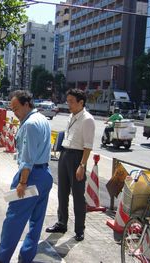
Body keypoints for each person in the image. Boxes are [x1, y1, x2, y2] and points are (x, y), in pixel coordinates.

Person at [0, 90, 53, 263]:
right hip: (45, 174)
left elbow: (27, 159)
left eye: (16, 108)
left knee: (14, 219)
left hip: (30, 176)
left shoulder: (30, 124)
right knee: (36, 220)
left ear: (26, 104)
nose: (14, 113)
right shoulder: (42, 119)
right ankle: (27, 256)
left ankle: (3, 256)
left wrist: (22, 182)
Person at [45, 88, 95, 242]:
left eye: (72, 102)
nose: (69, 104)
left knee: (78, 196)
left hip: (77, 157)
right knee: (62, 192)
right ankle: (62, 223)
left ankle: (80, 229)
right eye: (68, 101)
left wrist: (82, 165)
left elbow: (88, 146)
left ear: (81, 102)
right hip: (65, 154)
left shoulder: (87, 119)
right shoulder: (71, 116)